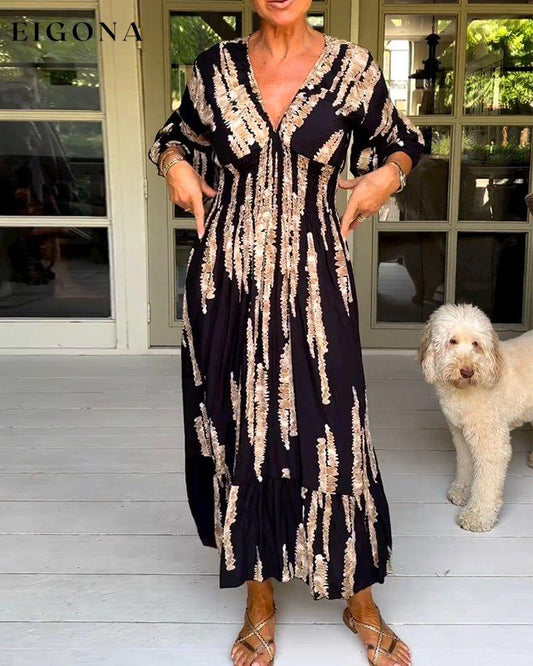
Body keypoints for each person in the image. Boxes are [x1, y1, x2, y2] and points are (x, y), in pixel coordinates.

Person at [148, 2, 424, 664]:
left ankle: (358, 595)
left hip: (315, 274)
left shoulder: (352, 68)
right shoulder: (213, 69)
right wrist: (175, 165)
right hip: (227, 277)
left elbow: (404, 141)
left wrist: (386, 176)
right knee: (240, 426)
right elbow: (172, 136)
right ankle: (259, 595)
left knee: (335, 430)